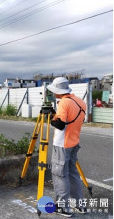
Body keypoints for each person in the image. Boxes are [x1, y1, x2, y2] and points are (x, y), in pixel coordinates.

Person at [47, 77, 87, 218]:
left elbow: (61, 125)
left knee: (60, 175)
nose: (53, 93)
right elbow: (70, 120)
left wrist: (51, 118)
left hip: (62, 144)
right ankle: (79, 204)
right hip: (74, 142)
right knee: (73, 174)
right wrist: (55, 114)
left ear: (58, 91)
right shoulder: (80, 101)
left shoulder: (63, 102)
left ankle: (63, 208)